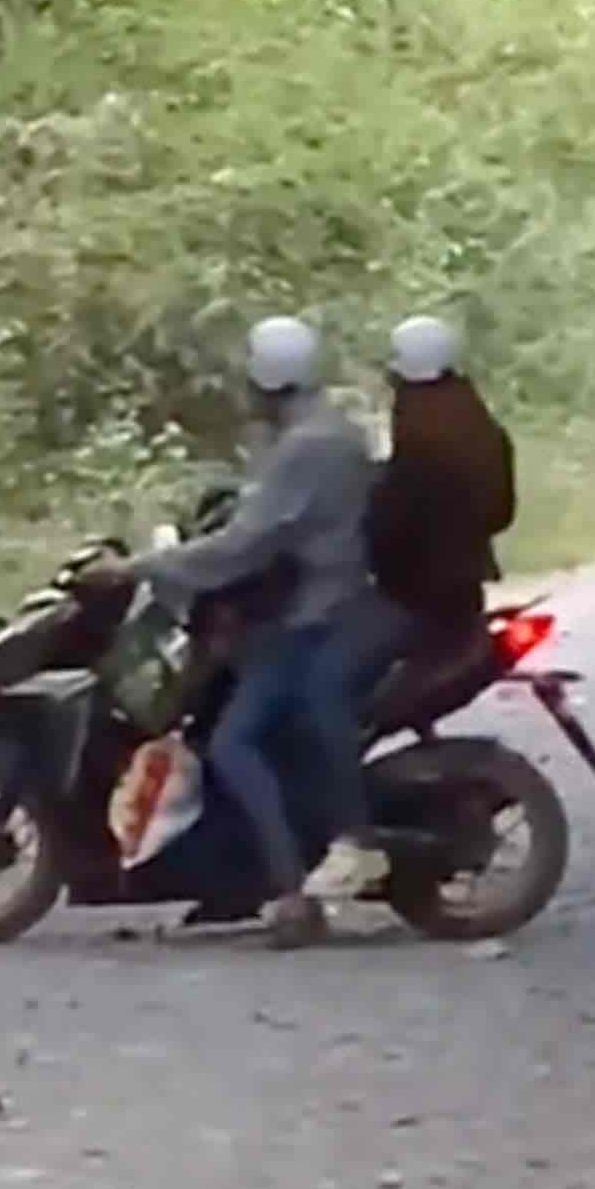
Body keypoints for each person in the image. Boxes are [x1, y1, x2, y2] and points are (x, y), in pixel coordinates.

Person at [80, 314, 413, 949]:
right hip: (319, 605)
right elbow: (264, 512)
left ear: (269, 379)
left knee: (234, 742)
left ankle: (292, 892)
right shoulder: (323, 431)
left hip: (312, 616)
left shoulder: (307, 446)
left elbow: (246, 545)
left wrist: (137, 567)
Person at [364, 314, 517, 715]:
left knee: (325, 679)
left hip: (420, 588)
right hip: (463, 581)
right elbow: (500, 510)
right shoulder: (471, 414)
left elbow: (397, 513)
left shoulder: (421, 424)